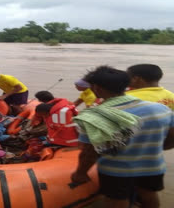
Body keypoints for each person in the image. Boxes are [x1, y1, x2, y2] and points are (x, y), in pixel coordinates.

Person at [71, 66, 174, 208]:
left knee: (117, 200)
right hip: (153, 166)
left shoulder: (93, 116)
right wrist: (154, 150)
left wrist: (80, 173)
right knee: (149, 195)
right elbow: (171, 139)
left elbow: (89, 153)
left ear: (96, 88)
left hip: (116, 170)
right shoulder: (161, 109)